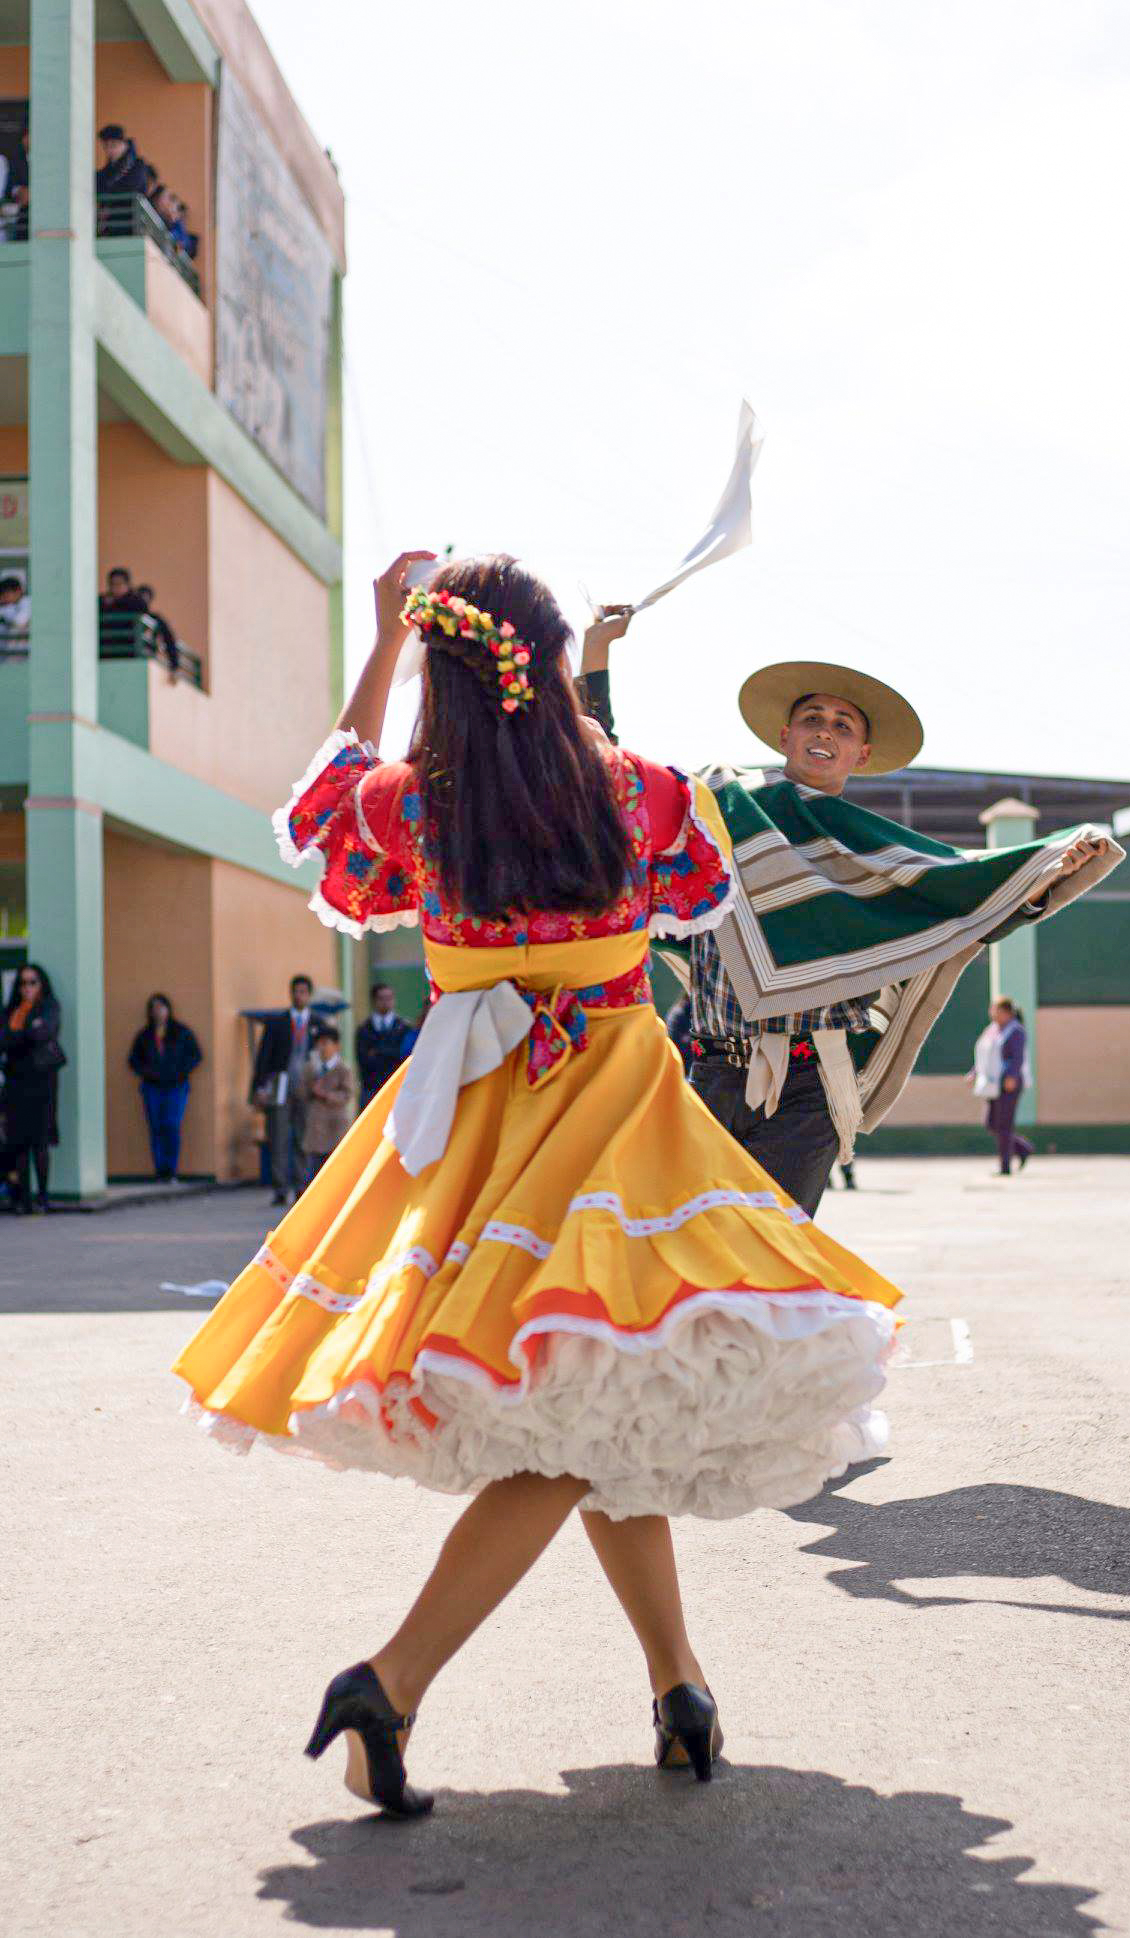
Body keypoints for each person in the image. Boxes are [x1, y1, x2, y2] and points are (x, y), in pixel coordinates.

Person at [175, 550, 905, 1816]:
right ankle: (391, 1680)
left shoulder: (415, 804)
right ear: (553, 662)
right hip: (617, 1122)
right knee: (580, 1405)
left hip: (472, 1130)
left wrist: (385, 637)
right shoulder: (635, 794)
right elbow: (690, 887)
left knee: (593, 1402)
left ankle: (681, 1687)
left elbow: (321, 804)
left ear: (445, 672)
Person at [579, 619, 1119, 1216]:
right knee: (683, 1247)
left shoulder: (872, 855)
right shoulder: (722, 804)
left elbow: (965, 900)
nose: (825, 732)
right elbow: (616, 781)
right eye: (812, 718)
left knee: (776, 1261)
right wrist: (596, 654)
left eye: (843, 726)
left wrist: (1048, 872)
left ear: (860, 754)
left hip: (813, 1091)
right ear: (785, 735)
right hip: (715, 1074)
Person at [251, 974, 324, 1206]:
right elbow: (263, 1057)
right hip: (280, 1085)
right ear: (290, 994)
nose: (299, 995)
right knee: (278, 1136)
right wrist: (259, 1087)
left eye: (303, 991)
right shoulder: (277, 1022)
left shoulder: (318, 1023)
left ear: (309, 995)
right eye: (296, 991)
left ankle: (302, 1185)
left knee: (304, 1137)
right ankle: (280, 1187)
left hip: (307, 1086)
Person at [1, 964, 64, 1215]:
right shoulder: (11, 1011)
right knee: (18, 1142)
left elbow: (44, 1033)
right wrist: (26, 1033)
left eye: (32, 982)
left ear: (42, 984)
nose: (27, 988)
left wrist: (18, 1037)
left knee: (40, 1140)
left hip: (41, 1081)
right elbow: (5, 1039)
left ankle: (43, 1196)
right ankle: (22, 1197)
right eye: (23, 983)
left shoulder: (49, 1007)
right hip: (15, 1082)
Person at [127, 993, 202, 1182]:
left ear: (168, 1010)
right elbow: (133, 1060)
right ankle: (160, 1170)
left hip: (176, 1085)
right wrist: (147, 1072)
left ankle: (172, 1169)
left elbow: (195, 1056)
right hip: (152, 1086)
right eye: (154, 1009)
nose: (158, 1012)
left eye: (161, 1008)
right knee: (156, 1126)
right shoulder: (145, 1036)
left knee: (171, 1125)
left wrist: (180, 1072)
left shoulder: (180, 1032)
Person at [978, 997, 1034, 1176]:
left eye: (996, 1010)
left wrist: (1012, 1076)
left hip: (1010, 1083)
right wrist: (974, 1072)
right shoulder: (993, 1030)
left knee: (1004, 1125)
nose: (992, 1013)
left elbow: (1017, 1057)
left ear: (1007, 1012)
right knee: (992, 1123)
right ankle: (1022, 1148)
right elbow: (985, 1053)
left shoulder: (1016, 1031)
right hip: (993, 1083)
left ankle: (1005, 1166)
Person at [303, 1025, 353, 1180]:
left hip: (335, 1126)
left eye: (326, 1043)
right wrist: (310, 1088)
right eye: (319, 1044)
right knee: (315, 1171)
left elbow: (347, 1094)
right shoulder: (312, 1068)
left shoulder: (343, 1069)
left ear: (336, 1046)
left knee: (335, 1171)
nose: (322, 1048)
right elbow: (302, 1093)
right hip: (316, 1127)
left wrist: (326, 1095)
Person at [354, 982, 411, 1110]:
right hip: (371, 1089)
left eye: (389, 998)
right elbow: (364, 1061)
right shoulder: (364, 1029)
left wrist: (378, 1051)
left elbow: (403, 1056)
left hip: (397, 1087)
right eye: (381, 998)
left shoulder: (403, 1028)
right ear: (374, 1001)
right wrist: (389, 1053)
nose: (386, 1002)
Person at [95, 124, 148, 203]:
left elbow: (131, 188)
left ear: (124, 144)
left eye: (114, 145)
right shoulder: (108, 170)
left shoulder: (137, 165)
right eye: (106, 146)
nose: (109, 150)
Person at [135, 584, 180, 675]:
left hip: (146, 656)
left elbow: (168, 639)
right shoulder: (127, 614)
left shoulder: (155, 619)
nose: (143, 601)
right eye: (140, 598)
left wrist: (174, 665)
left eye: (145, 598)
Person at [0, 574, 30, 641]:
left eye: (7, 594)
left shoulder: (27, 602)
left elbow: (20, 623)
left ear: (18, 591)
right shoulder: (11, 606)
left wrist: (3, 620)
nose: (5, 597)